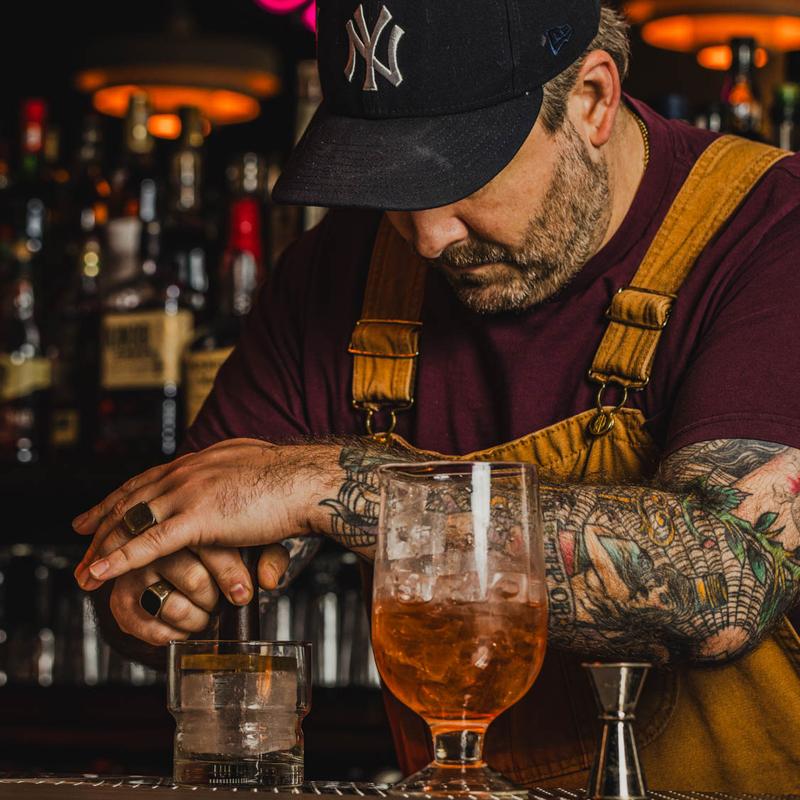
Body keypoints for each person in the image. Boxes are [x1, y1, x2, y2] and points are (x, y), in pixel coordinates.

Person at [73, 0, 800, 791]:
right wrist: (160, 592)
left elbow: (726, 581)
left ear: (591, 99)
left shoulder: (771, 228)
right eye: (391, 180)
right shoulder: (337, 271)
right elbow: (180, 540)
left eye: (460, 173)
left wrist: (324, 485)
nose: (427, 237)